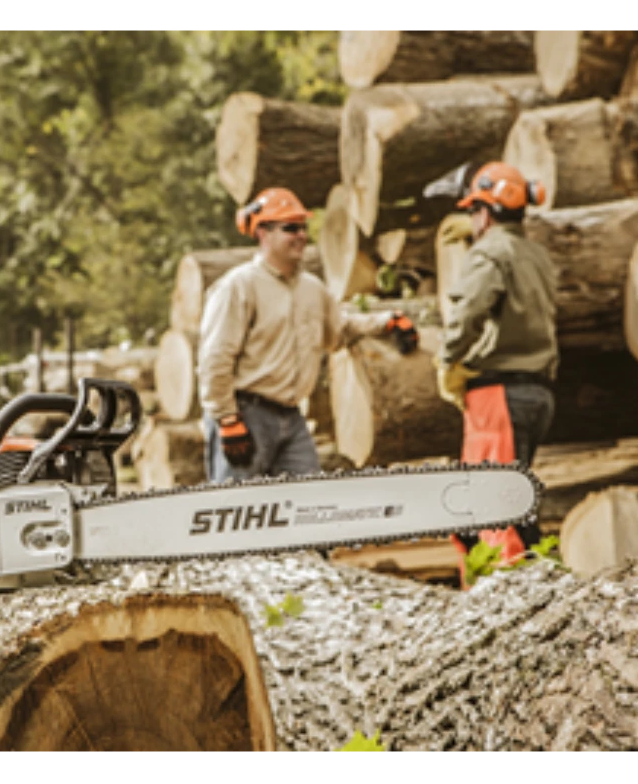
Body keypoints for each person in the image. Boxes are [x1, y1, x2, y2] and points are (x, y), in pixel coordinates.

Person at [197, 187, 419, 483]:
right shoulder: (239, 286)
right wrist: (227, 418)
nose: (301, 235)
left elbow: (339, 330)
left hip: (291, 416)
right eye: (290, 228)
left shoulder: (311, 288)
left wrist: (387, 321)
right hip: (247, 413)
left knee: (310, 500)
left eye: (303, 228)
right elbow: (215, 357)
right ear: (263, 233)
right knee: (237, 505)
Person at [434, 162, 558, 580]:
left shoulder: (489, 253)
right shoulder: (537, 256)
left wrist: (448, 359)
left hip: (499, 392)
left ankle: (517, 593)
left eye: (474, 211)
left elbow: (469, 311)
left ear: (485, 212)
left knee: (496, 511)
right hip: (537, 392)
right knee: (483, 510)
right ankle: (498, 588)